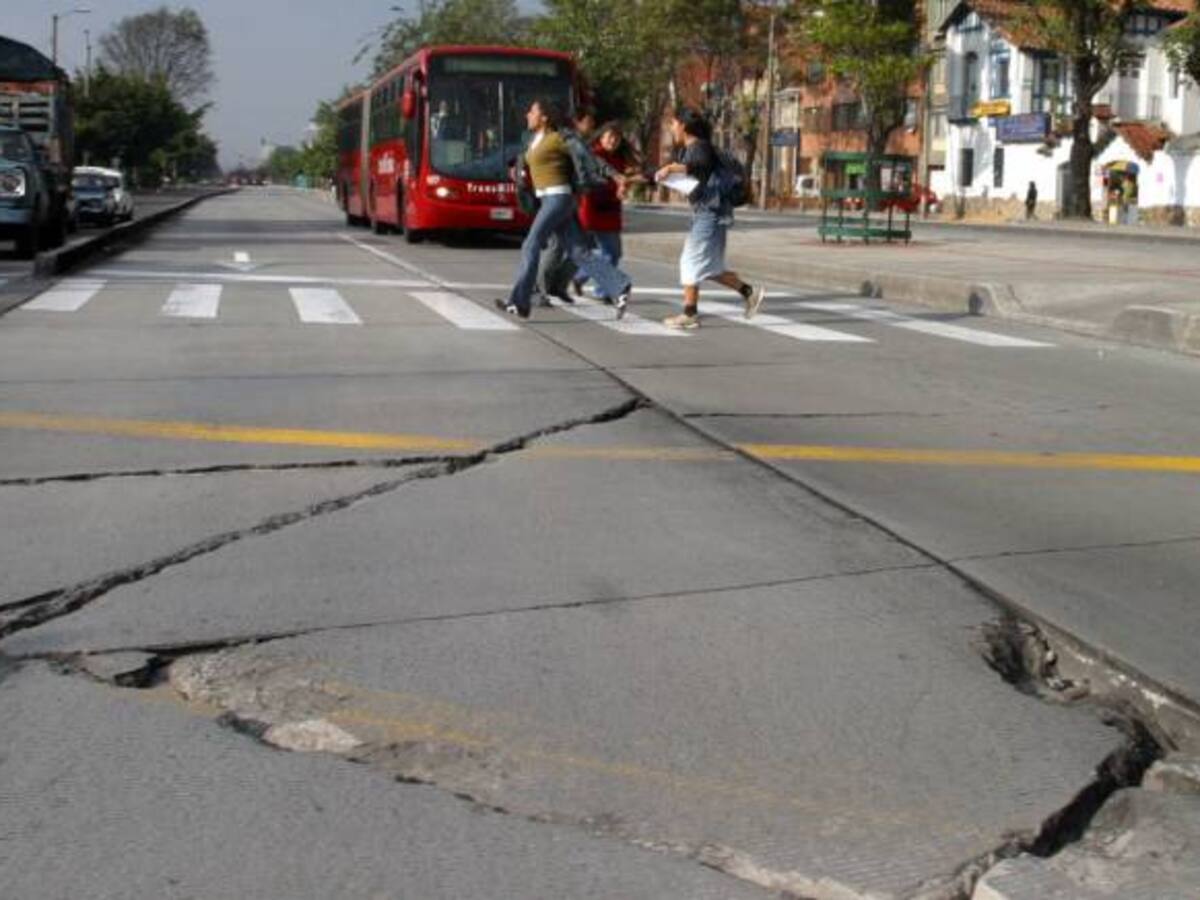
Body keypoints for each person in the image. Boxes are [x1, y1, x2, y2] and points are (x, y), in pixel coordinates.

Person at [495, 98, 632, 320]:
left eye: (532, 111)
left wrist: (616, 176)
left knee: (531, 244)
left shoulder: (561, 137)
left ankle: (519, 302)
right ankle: (620, 285)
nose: (527, 115)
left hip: (557, 198)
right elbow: (526, 160)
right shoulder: (534, 139)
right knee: (578, 251)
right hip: (549, 199)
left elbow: (590, 157)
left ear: (544, 117)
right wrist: (517, 168)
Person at [654, 107, 764, 329]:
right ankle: (749, 292)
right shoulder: (689, 149)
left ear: (683, 125)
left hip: (710, 212)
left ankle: (689, 314)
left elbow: (701, 165)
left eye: (673, 124)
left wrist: (673, 168)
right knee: (710, 267)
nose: (672, 128)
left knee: (690, 261)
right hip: (709, 212)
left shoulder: (699, 146)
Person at [573, 121, 639, 304]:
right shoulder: (593, 155)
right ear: (600, 138)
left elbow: (622, 182)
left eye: (617, 138)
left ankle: (581, 277)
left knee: (612, 252)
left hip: (612, 209)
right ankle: (603, 290)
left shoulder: (619, 158)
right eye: (610, 137)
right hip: (593, 208)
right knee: (610, 252)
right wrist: (616, 185)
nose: (613, 140)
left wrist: (624, 187)